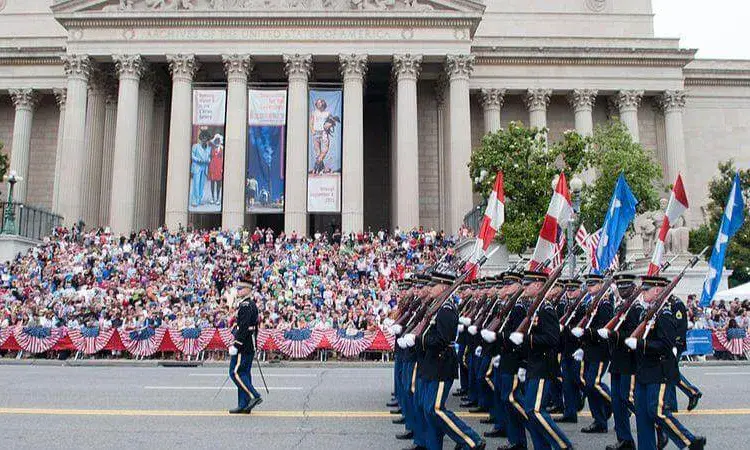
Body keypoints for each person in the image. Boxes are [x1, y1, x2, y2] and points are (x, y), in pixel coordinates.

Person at [625, 276, 706, 450]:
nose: (642, 293)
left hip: (658, 370)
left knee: (657, 412)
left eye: (645, 290)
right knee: (642, 414)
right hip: (643, 370)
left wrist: (640, 344)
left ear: (656, 291)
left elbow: (666, 345)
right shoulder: (646, 312)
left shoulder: (665, 314)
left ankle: (690, 441)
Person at [409, 277, 486, 450]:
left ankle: (470, 439)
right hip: (431, 363)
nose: (430, 288)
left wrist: (418, 340)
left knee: (435, 408)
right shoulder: (436, 306)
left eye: (433, 285)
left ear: (443, 286)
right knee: (428, 409)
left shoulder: (446, 309)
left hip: (441, 363)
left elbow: (444, 339)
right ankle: (433, 445)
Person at [509, 271, 573, 450]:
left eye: (528, 284)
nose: (524, 287)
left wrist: (526, 339)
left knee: (535, 410)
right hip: (533, 364)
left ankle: (563, 445)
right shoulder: (535, 307)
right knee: (531, 411)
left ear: (538, 285)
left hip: (543, 366)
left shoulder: (546, 309)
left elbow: (553, 339)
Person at [599, 274, 644, 450]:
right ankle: (624, 439)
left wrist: (613, 335)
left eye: (627, 287)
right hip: (617, 360)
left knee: (629, 400)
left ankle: (656, 427)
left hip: (629, 361)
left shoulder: (636, 309)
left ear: (634, 288)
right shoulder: (620, 307)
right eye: (620, 287)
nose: (623, 290)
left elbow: (634, 334)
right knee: (617, 402)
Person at [571, 274, 613, 434]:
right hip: (589, 350)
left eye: (593, 284)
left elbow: (603, 329)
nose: (589, 287)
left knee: (592, 384)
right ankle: (599, 421)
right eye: (588, 284)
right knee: (588, 385)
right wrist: (582, 345)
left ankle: (613, 403)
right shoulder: (591, 302)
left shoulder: (605, 304)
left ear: (602, 284)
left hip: (600, 351)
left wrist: (585, 332)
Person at [228, 276, 262, 414]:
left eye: (240, 288)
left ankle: (254, 395)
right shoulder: (247, 304)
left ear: (248, 290)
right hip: (248, 343)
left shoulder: (246, 305)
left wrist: (236, 344)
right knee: (244, 373)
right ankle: (244, 404)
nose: (238, 290)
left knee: (235, 372)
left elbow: (244, 327)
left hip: (244, 344)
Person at [190, 129, 212, 208]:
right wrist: (198, 160)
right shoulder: (195, 146)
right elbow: (192, 155)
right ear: (201, 138)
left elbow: (209, 157)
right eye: (203, 138)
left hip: (204, 167)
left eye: (206, 138)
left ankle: (199, 199)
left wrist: (208, 160)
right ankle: (194, 200)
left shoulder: (208, 148)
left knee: (202, 184)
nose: (204, 140)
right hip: (197, 167)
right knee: (196, 184)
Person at [208, 134, 224, 205]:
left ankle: (217, 198)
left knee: (218, 184)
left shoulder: (222, 149)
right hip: (212, 167)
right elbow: (209, 158)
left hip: (219, 168)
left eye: (218, 140)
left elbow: (224, 159)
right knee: (212, 183)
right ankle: (212, 197)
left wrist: (223, 168)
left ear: (220, 141)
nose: (217, 141)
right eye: (216, 140)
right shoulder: (212, 149)